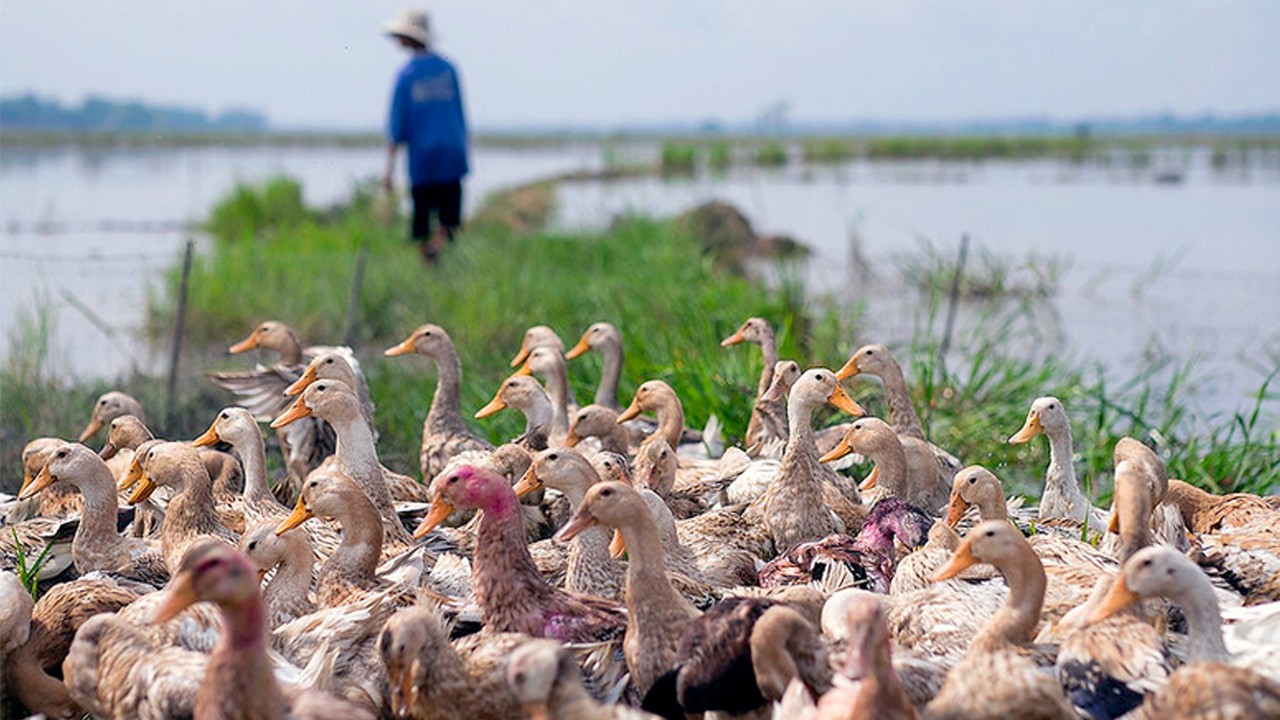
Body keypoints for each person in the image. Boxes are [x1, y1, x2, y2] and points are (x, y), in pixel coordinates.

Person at [382, 9, 469, 264]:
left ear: (409, 38)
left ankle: (429, 258)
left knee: (422, 224)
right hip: (452, 153)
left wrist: (389, 169)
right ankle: (436, 253)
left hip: (422, 158)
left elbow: (396, 126)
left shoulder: (406, 75)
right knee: (449, 221)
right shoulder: (449, 69)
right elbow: (460, 116)